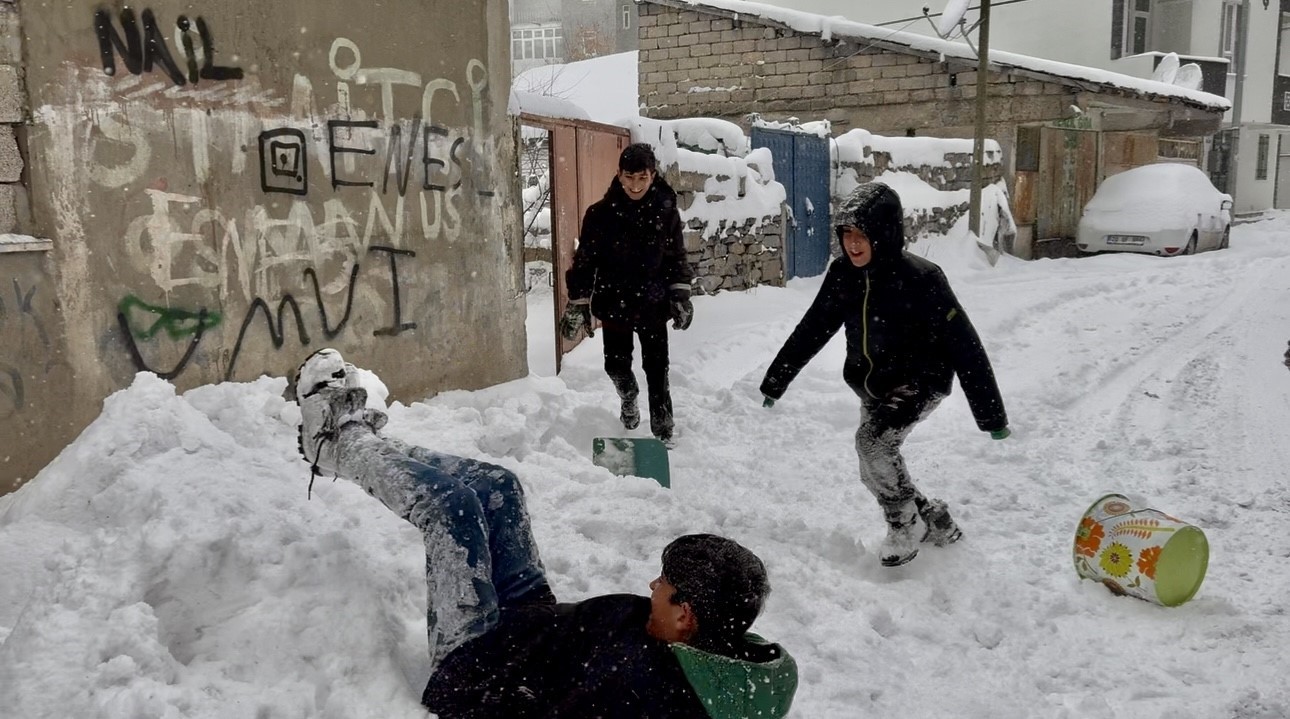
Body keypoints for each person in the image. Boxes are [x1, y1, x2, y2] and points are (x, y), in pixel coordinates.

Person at [293, 348, 797, 718]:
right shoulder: (718, 642)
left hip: (476, 662)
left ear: (685, 615)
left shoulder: (634, 694)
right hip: (532, 618)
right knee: (499, 486)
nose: (651, 587)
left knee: (451, 509)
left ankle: (342, 444)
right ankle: (371, 440)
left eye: (662, 586)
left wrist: (482, 679)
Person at [759, 183, 1010, 568]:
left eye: (862, 235)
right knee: (872, 465)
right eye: (847, 235)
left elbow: (965, 345)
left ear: (884, 234)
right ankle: (932, 519)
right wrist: (777, 380)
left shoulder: (922, 278)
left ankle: (903, 522)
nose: (853, 245)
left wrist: (991, 415)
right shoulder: (843, 274)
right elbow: (813, 328)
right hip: (872, 386)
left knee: (873, 444)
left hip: (920, 382)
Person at [560, 142, 694, 445]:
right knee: (616, 365)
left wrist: (680, 295)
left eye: (642, 178)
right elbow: (585, 261)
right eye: (629, 177)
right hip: (614, 302)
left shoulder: (666, 211)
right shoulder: (599, 215)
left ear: (653, 175)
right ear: (619, 175)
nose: (635, 185)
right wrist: (577, 301)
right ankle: (628, 395)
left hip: (653, 302)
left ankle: (663, 431)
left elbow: (676, 257)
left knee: (657, 369)